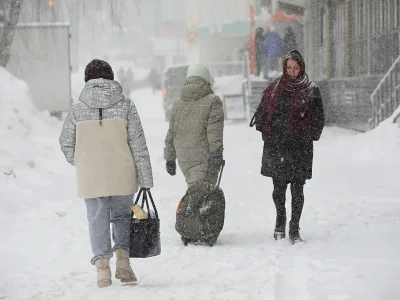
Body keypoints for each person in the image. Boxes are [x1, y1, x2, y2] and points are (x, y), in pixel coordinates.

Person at [59, 59, 153, 288]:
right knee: (122, 216)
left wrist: (83, 162)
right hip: (123, 173)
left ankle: (102, 269)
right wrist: (146, 179)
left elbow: (65, 143)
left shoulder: (77, 109)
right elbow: (138, 144)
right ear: (111, 78)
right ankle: (123, 262)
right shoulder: (126, 105)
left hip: (92, 177)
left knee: (96, 219)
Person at [252, 50, 324, 244]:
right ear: (285, 67)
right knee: (278, 188)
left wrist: (308, 134)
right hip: (277, 146)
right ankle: (280, 220)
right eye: (289, 68)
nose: (292, 72)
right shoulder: (274, 87)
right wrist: (267, 130)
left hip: (300, 147)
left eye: (296, 68)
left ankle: (294, 228)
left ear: (301, 69)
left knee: (298, 189)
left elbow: (319, 118)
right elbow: (261, 113)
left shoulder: (310, 89)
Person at [164, 63, 224, 188]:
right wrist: (217, 155)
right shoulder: (213, 101)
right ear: (207, 79)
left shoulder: (177, 104)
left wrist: (170, 158)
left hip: (184, 159)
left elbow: (171, 133)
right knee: (203, 197)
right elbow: (214, 133)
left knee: (196, 192)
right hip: (204, 159)